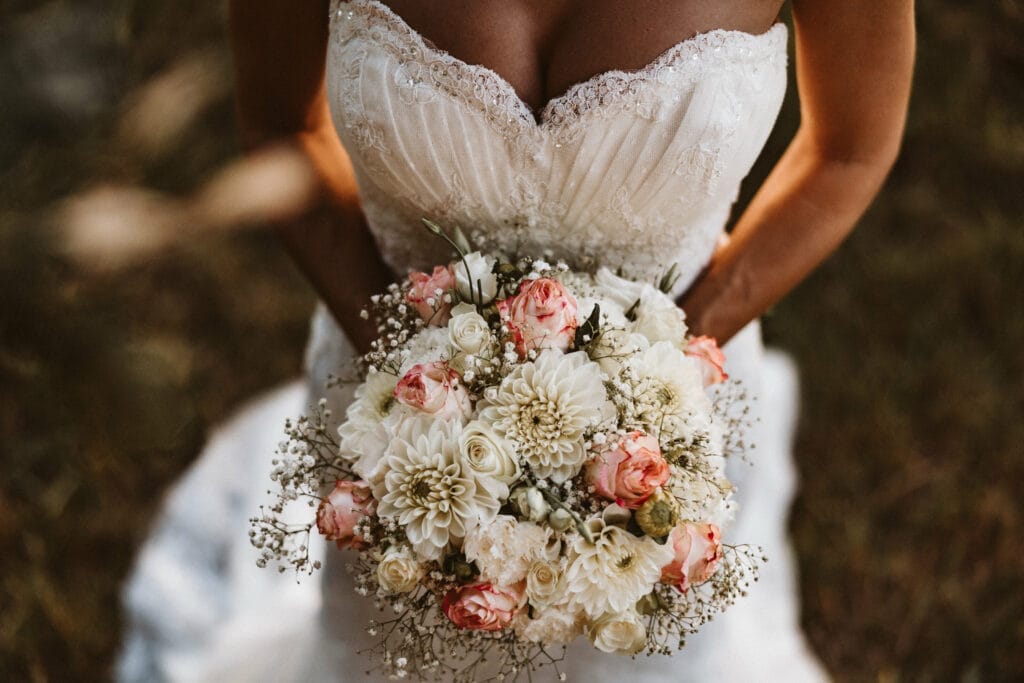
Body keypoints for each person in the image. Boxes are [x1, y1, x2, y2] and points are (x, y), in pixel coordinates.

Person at [118, 1, 914, 680]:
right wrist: (405, 374)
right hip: (400, 437)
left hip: (666, 444)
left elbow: (850, 148)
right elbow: (279, 122)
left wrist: (661, 365)